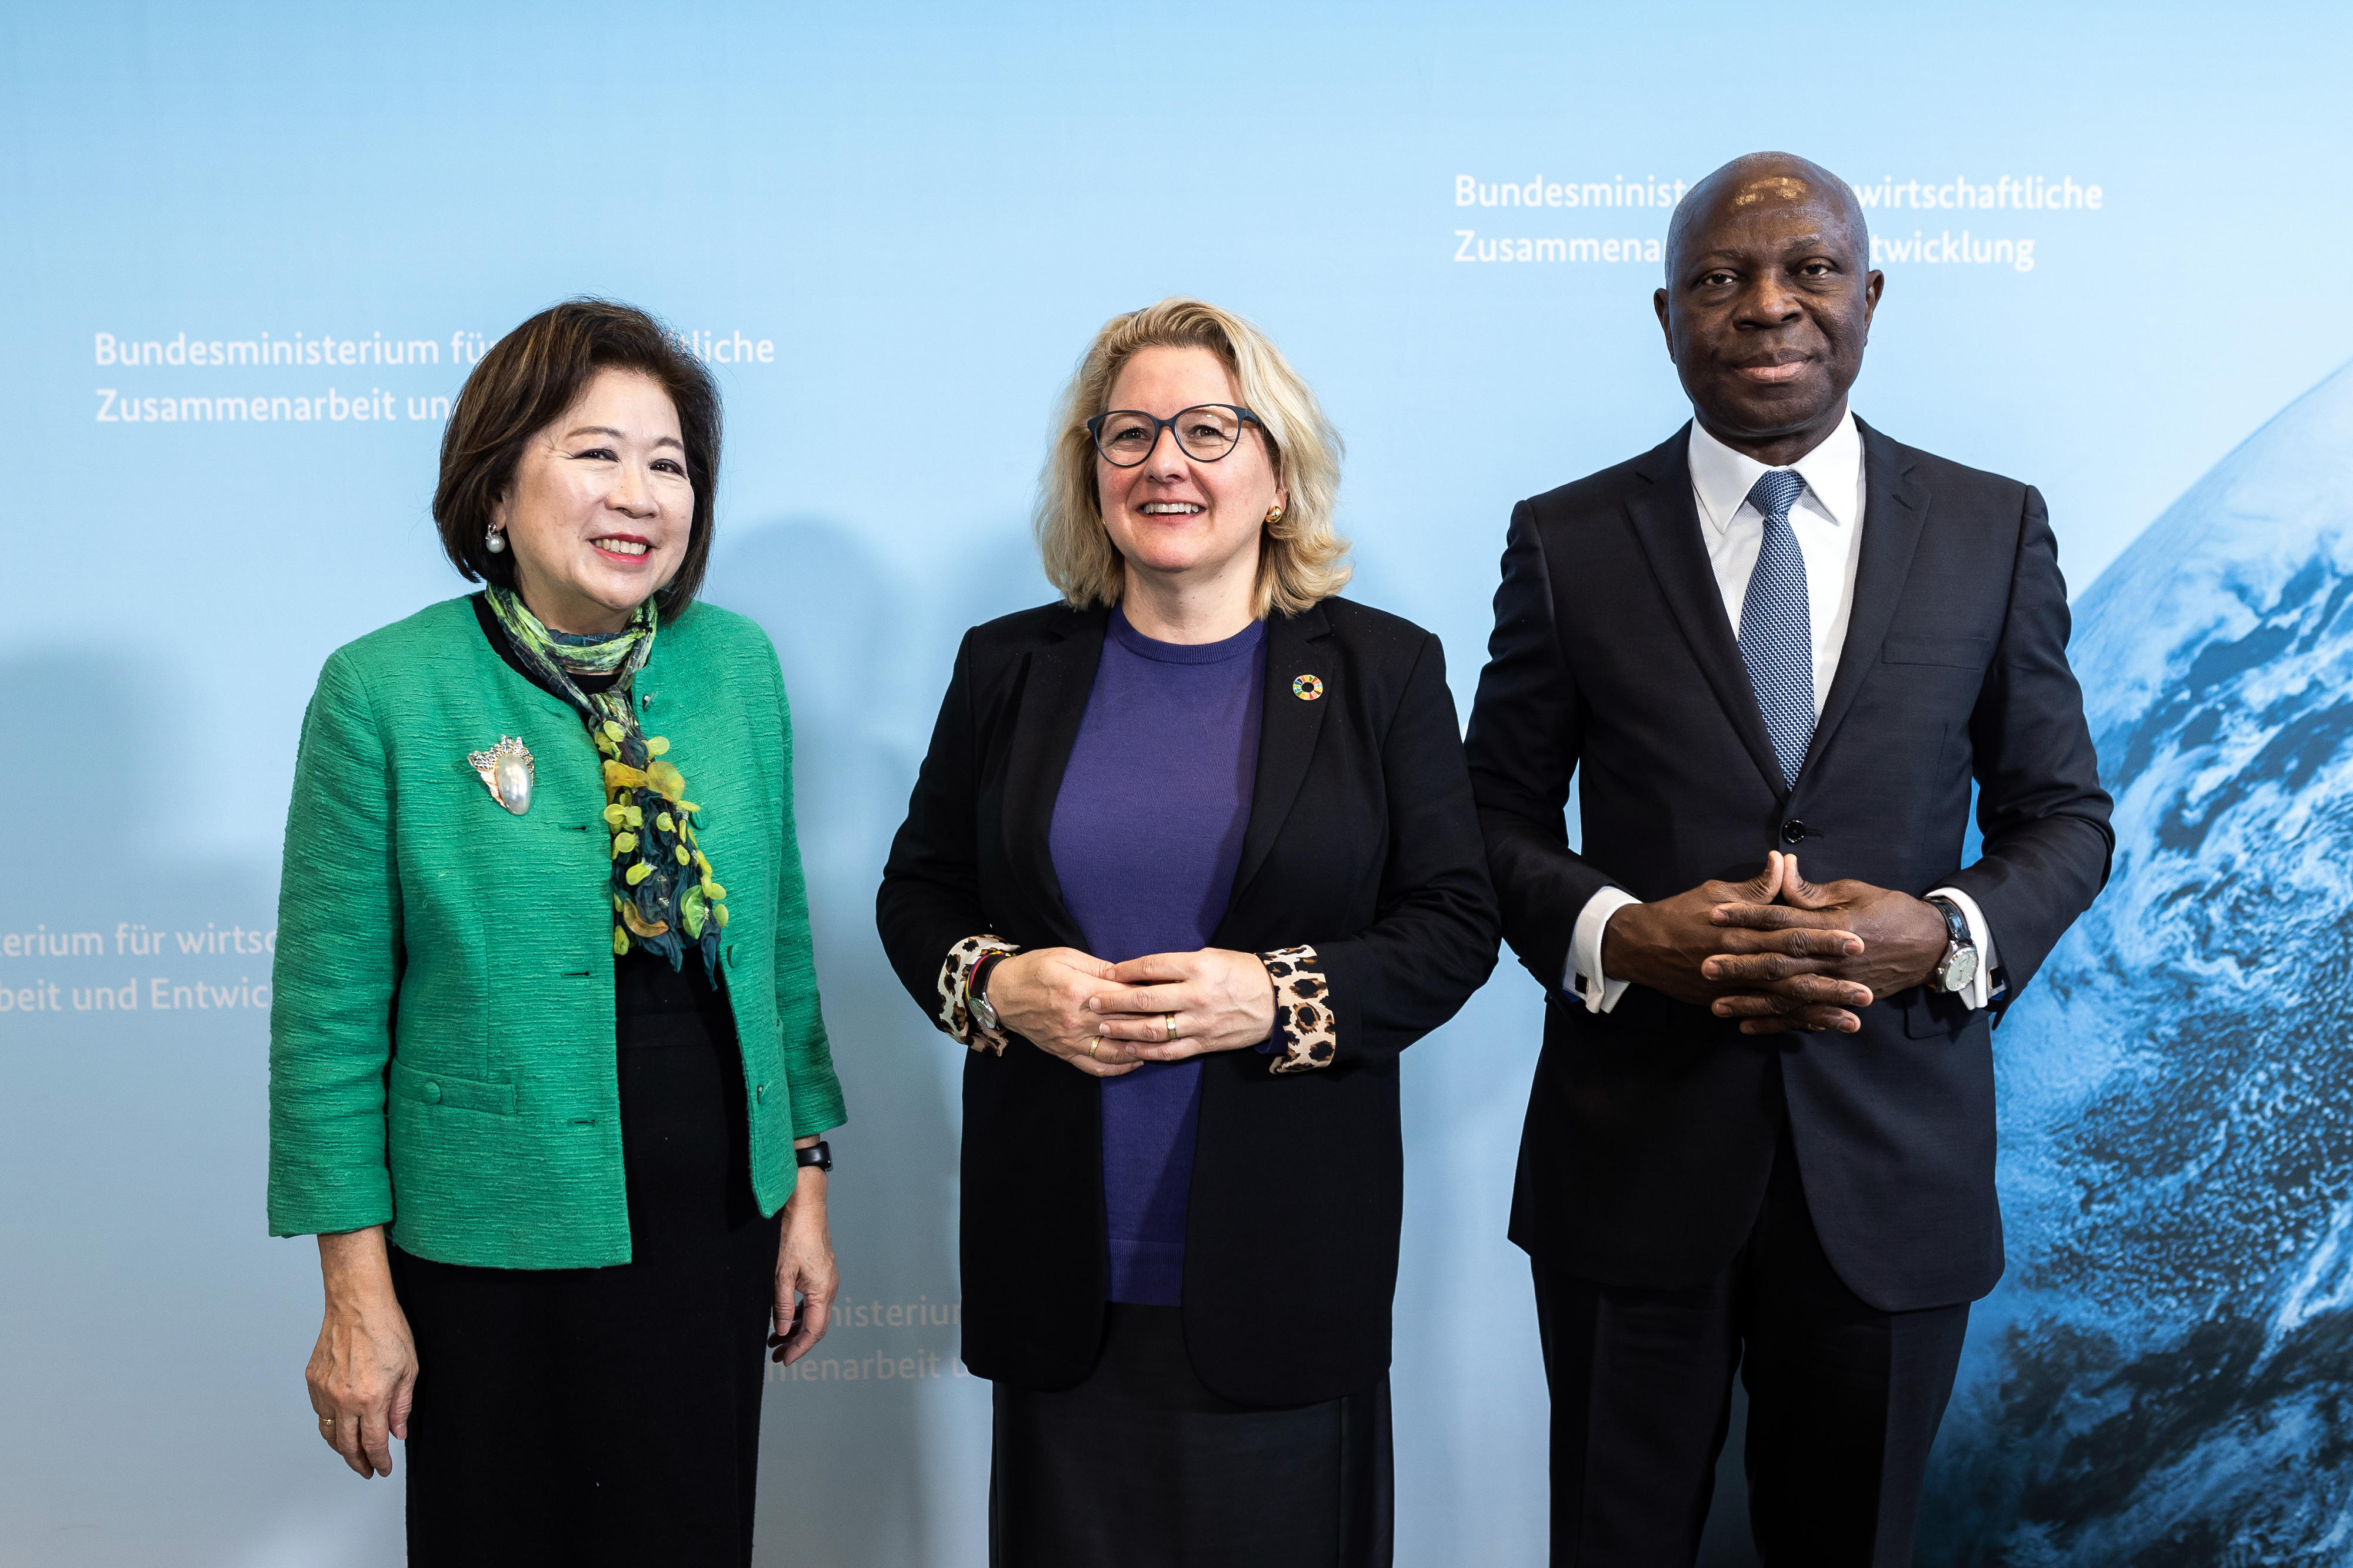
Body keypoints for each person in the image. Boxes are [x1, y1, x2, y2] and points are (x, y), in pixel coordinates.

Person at [1464, 154, 2113, 1566]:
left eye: (1807, 270)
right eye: (1720, 278)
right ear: (1665, 314)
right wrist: (1617, 932)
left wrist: (1938, 934)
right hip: (1628, 1169)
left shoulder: (1991, 527)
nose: (1767, 305)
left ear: (1867, 295)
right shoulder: (1567, 540)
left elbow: (2064, 817)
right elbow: (1485, 822)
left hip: (1893, 1170)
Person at [876, 297, 1497, 1567]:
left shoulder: (1382, 670)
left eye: (1209, 430)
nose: (1165, 461)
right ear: (1089, 470)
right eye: (1129, 433)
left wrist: (1275, 996)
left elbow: (1454, 923)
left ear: (1275, 472)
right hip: (1061, 1276)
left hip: (1282, 1273)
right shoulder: (1008, 669)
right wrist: (999, 985)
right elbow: (918, 894)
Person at [267, 298, 845, 1566]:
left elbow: (780, 952)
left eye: (669, 463)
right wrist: (354, 1293)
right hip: (491, 1233)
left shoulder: (736, 665)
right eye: (595, 454)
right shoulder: (384, 690)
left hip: (712, 1220)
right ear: (496, 489)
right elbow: (326, 1022)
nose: (638, 493)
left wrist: (803, 1183)